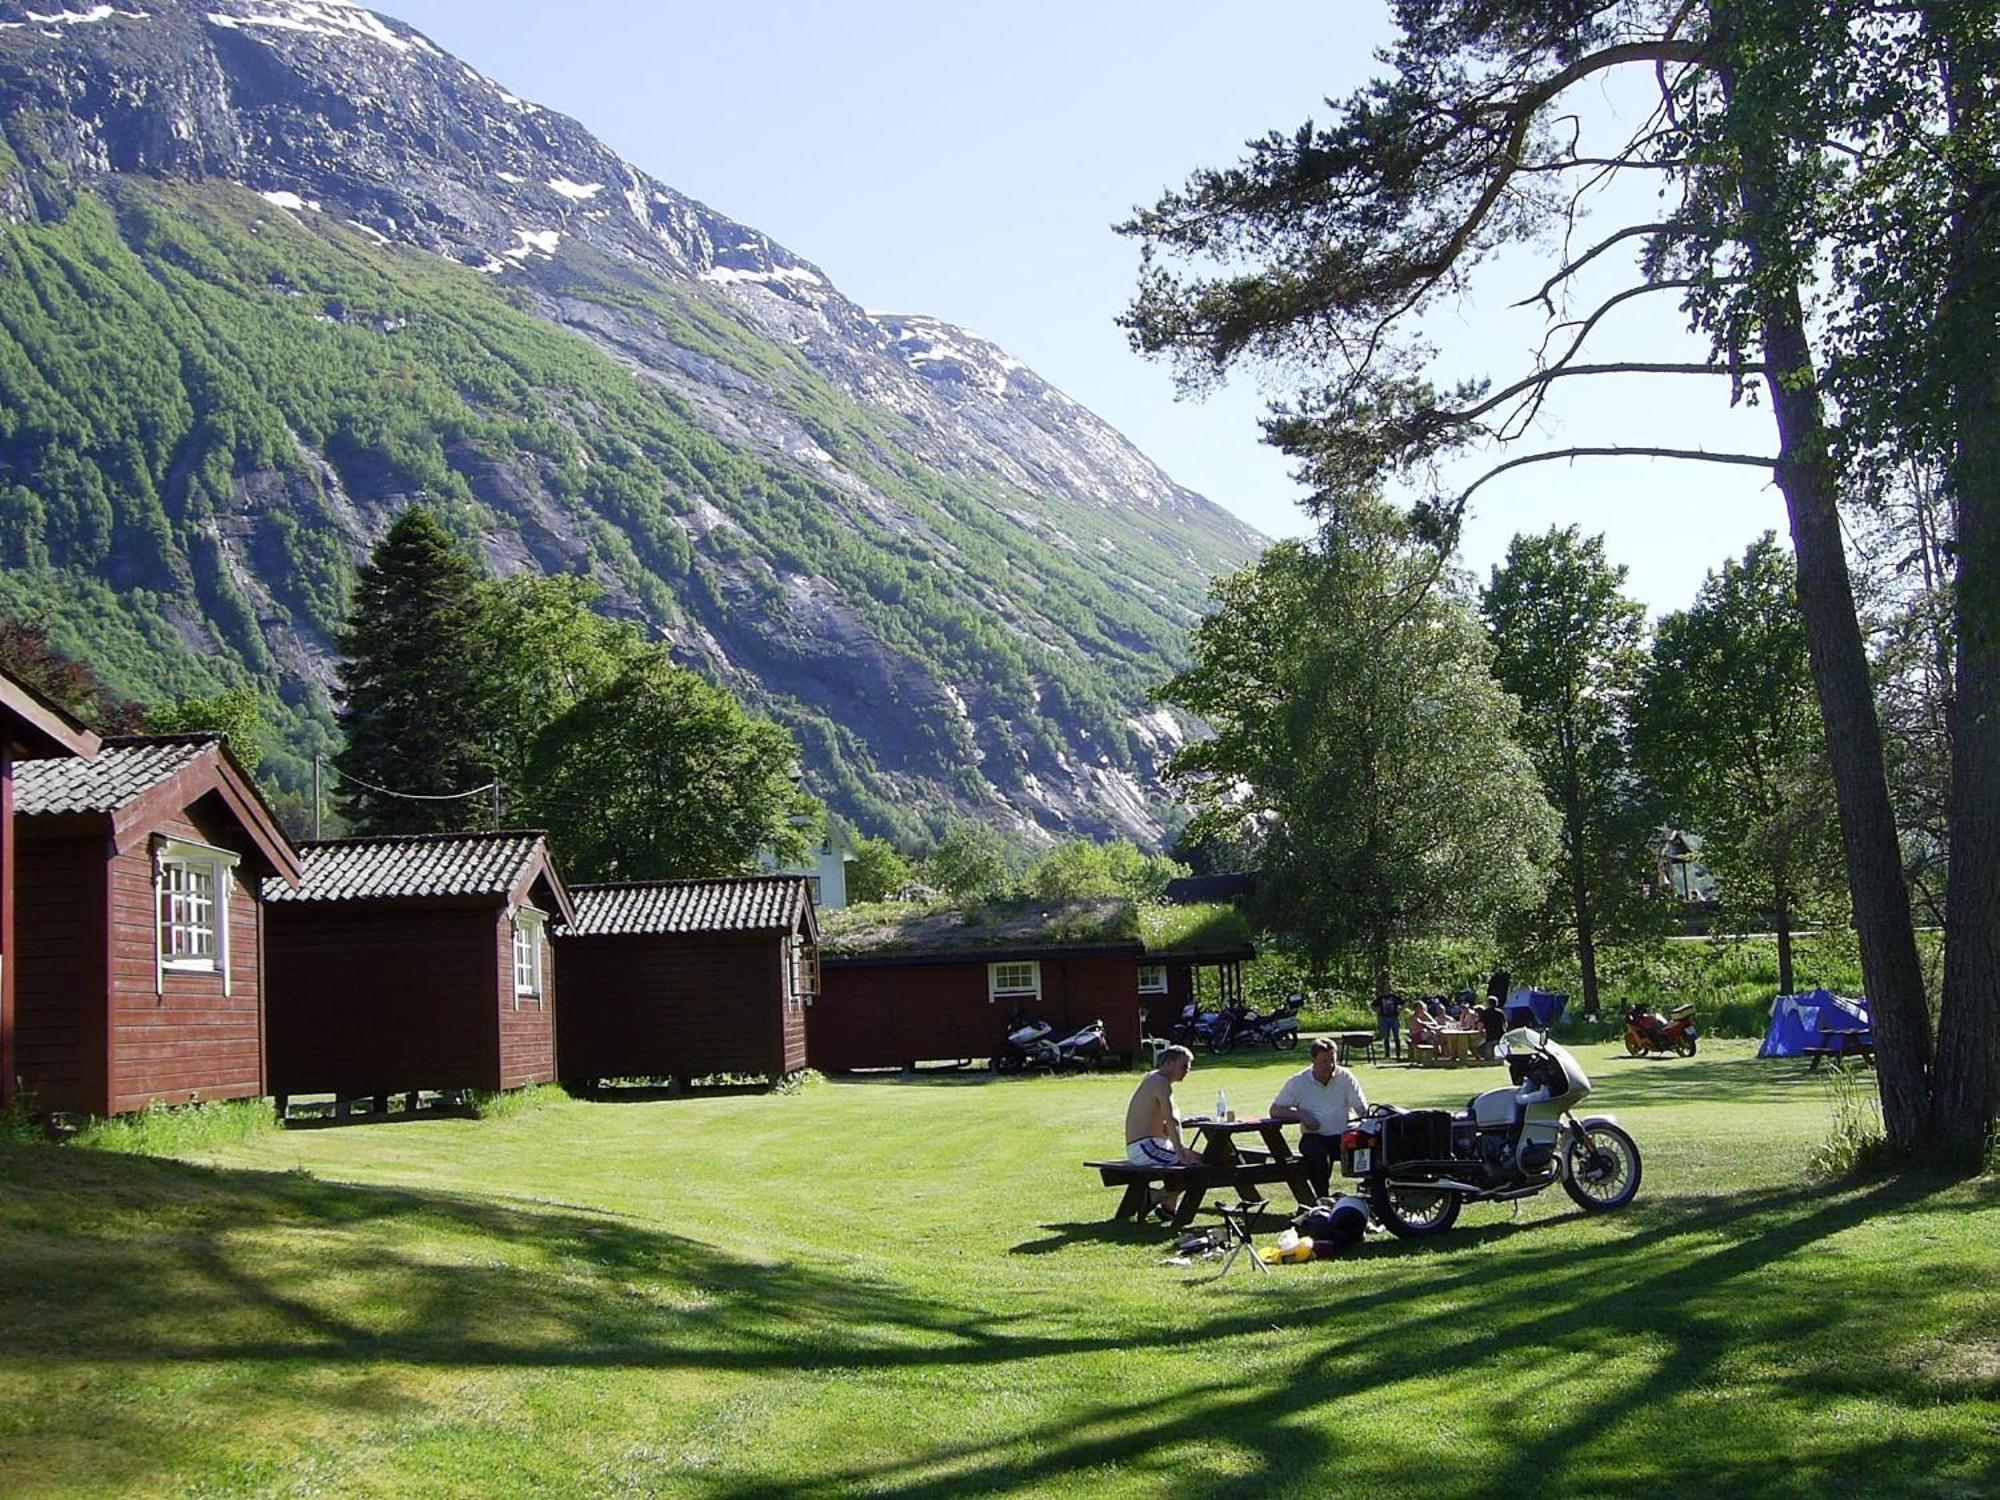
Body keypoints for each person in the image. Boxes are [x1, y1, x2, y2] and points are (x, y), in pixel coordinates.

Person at [1268, 1037, 1368, 1197]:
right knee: (1317, 1155)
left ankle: (1372, 1196)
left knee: (1372, 1147)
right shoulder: (1299, 1082)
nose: (1330, 1066)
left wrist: (1366, 1120)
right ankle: (1323, 1199)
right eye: (1324, 1061)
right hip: (1315, 1136)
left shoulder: (1345, 1077)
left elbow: (1361, 1108)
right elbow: (1275, 1109)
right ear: (1313, 1060)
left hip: (1343, 1135)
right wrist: (1302, 1114)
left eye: (1333, 1060)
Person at [1124, 1044, 1202, 1218]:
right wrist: (1181, 1155)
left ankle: (1168, 1207)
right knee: (1194, 1167)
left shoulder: (1156, 1080)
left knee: (1201, 1161)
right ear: (1169, 1063)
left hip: (1154, 1144)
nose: (1187, 1070)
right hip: (1144, 1147)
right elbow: (1172, 1121)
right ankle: (1155, 1197)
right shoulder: (1160, 1082)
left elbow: (1166, 1119)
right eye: (1184, 1066)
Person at [1373, 991, 1403, 1061]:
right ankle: (1387, 1054)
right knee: (1386, 1037)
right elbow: (1372, 1005)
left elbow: (1405, 1003)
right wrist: (1377, 1010)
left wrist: (1400, 1010)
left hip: (1394, 1018)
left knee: (1397, 1036)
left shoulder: (1395, 997)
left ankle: (1398, 1054)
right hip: (1384, 1018)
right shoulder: (1380, 998)